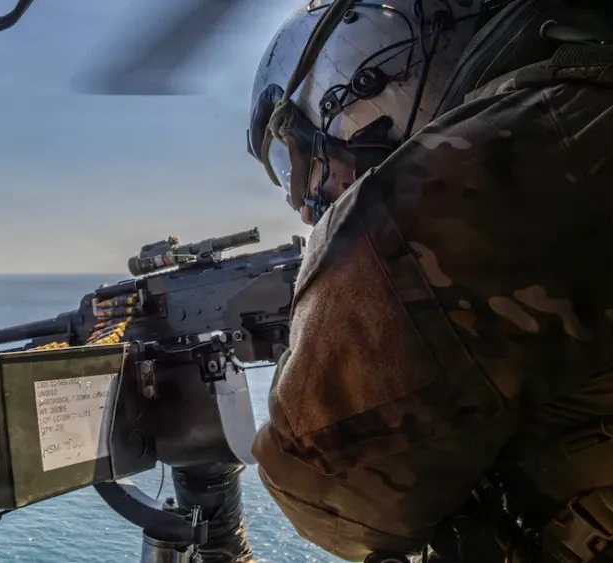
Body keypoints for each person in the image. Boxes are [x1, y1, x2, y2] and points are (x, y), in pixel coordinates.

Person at [245, 0, 612, 561]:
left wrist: (312, 329)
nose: (301, 205)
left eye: (293, 161)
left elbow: (327, 490)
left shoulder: (451, 187)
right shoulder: (581, 102)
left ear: (352, 94)